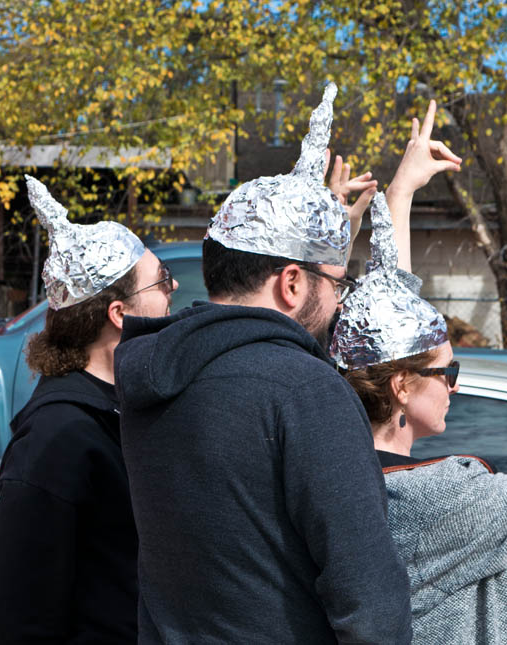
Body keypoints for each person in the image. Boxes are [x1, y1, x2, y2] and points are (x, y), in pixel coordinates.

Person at [114, 82, 412, 644]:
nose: (340, 301)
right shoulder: (303, 389)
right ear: (292, 282)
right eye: (337, 283)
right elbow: (371, 601)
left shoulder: (152, 371)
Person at [331, 141, 507, 643]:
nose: (456, 384)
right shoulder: (447, 499)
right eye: (447, 371)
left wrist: (401, 194)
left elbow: (386, 331)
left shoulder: (328, 475)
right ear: (402, 387)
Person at [0, 175, 178, 645]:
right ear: (120, 314)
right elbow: (22, 612)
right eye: (161, 280)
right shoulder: (58, 436)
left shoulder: (125, 405)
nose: (173, 287)